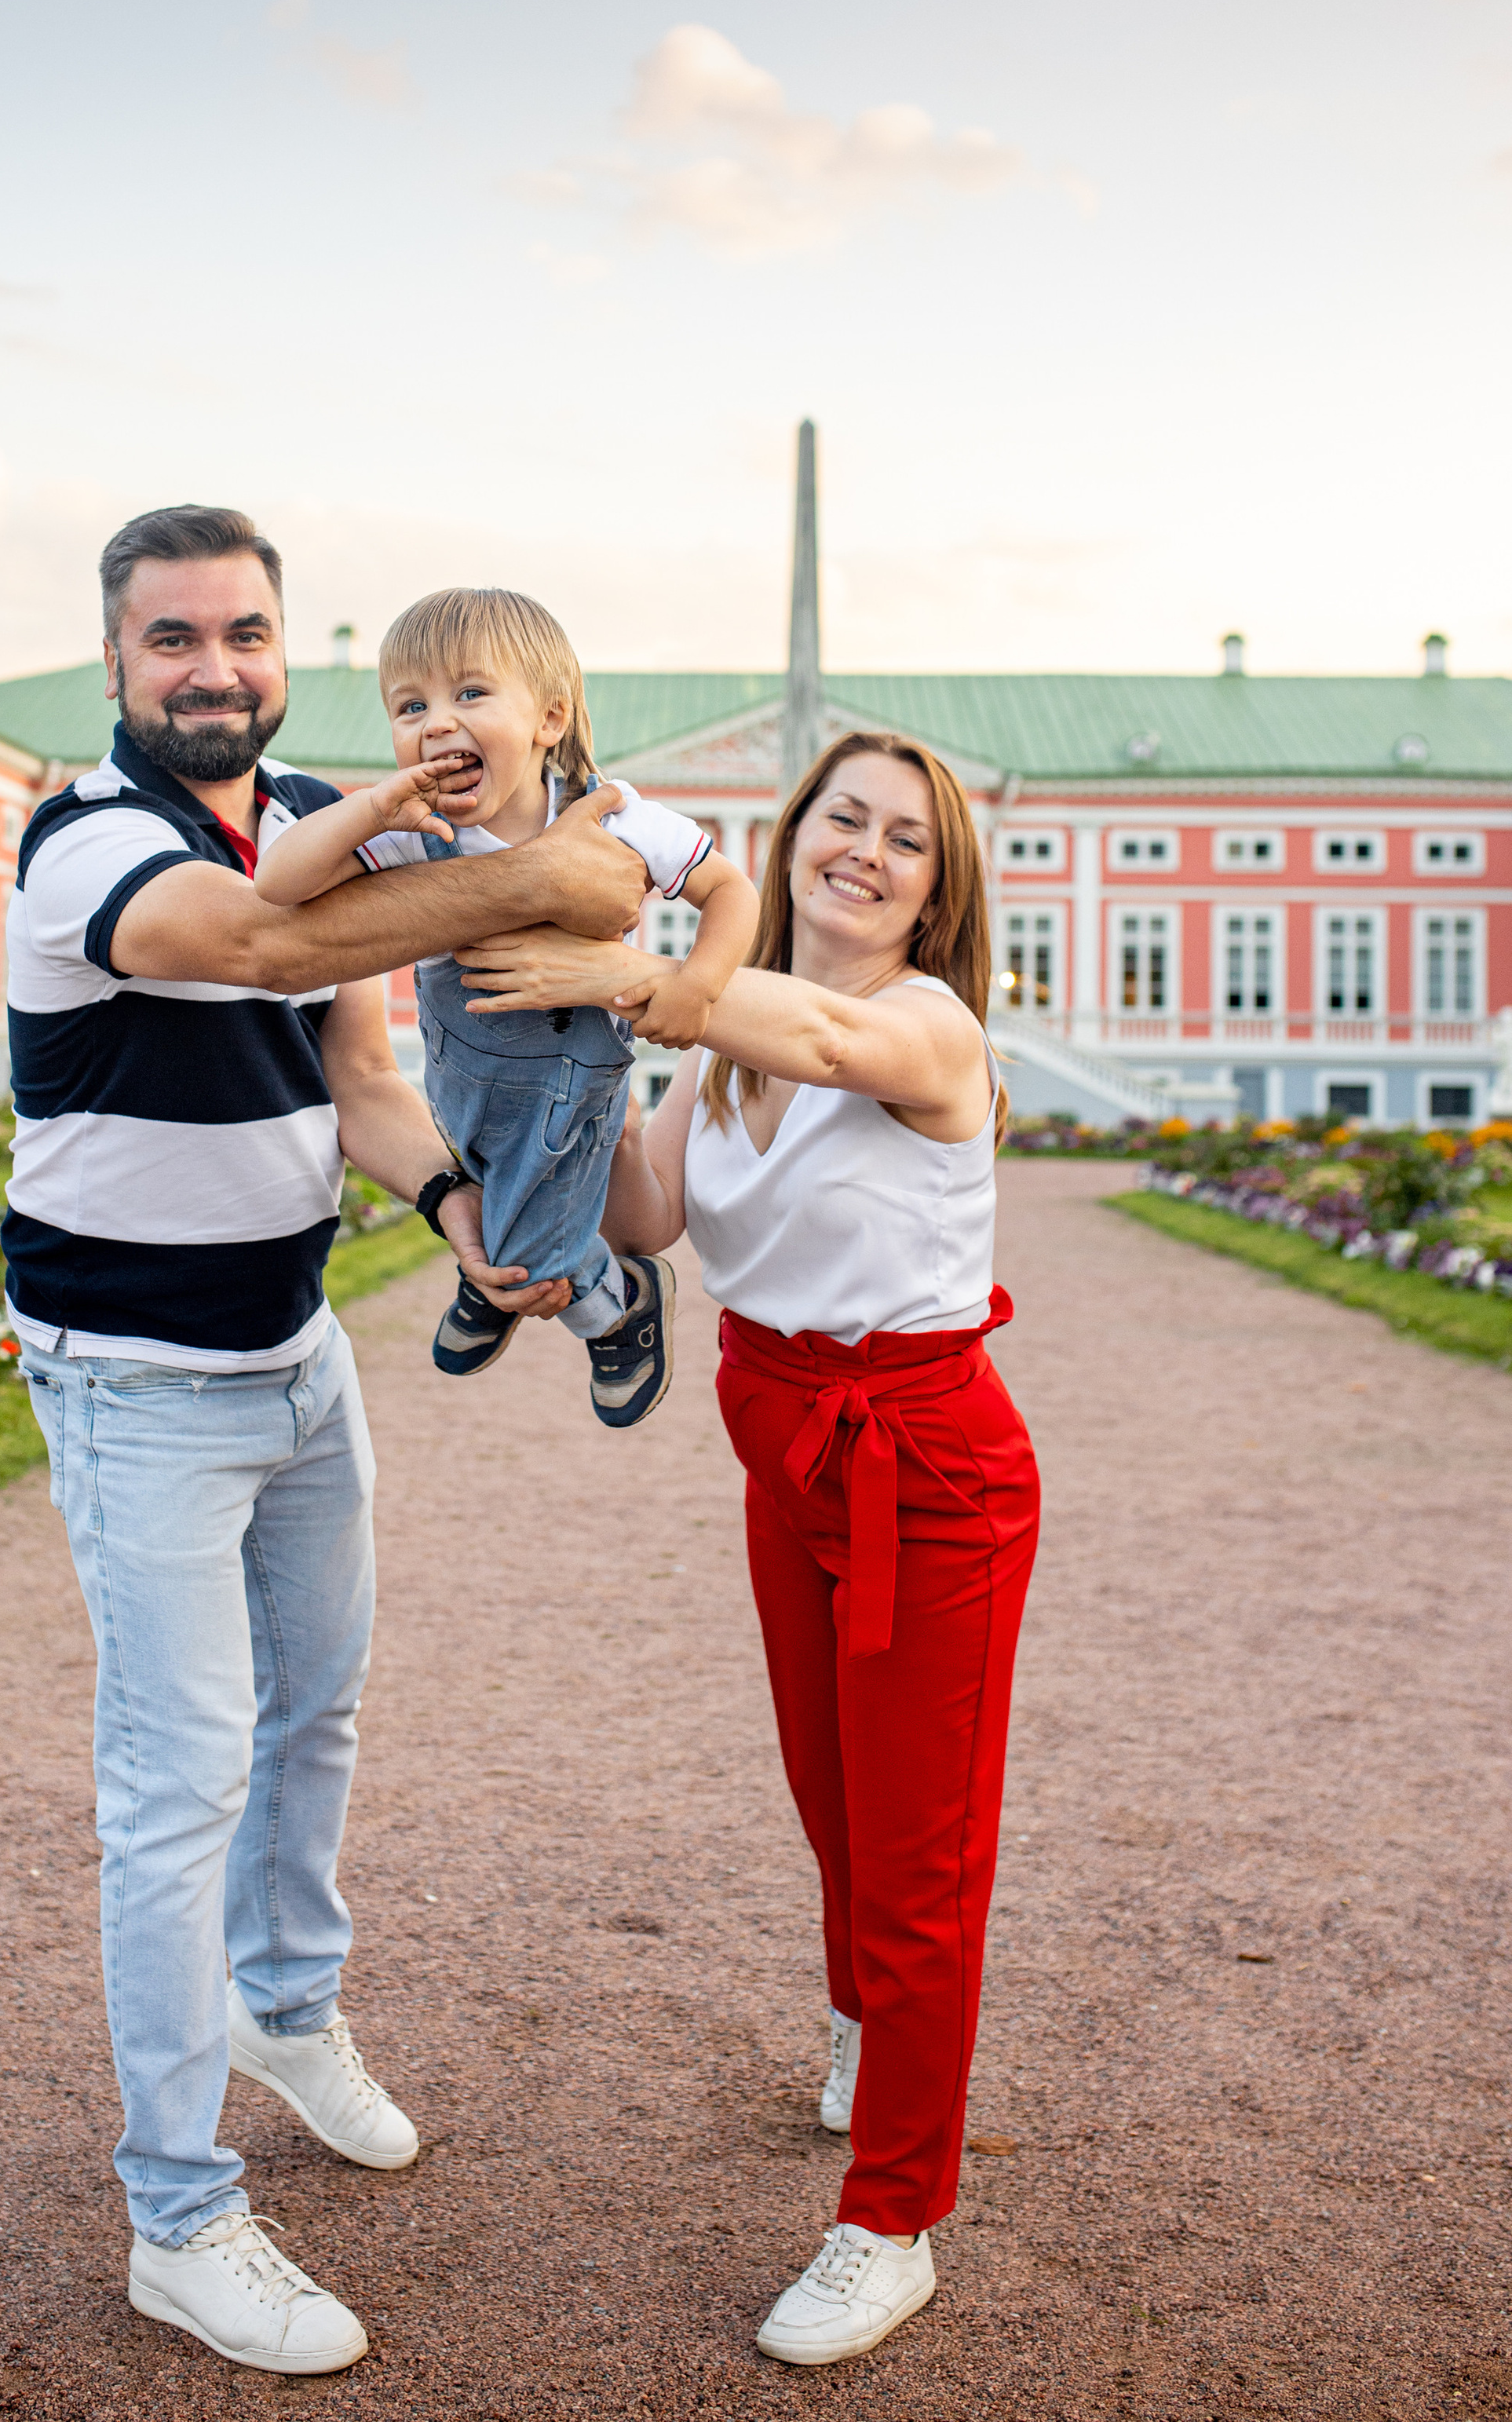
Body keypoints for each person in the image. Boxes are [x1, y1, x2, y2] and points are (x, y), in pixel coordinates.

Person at [5, 506, 647, 2378]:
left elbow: (359, 1063)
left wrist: (454, 1207)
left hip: (289, 1347)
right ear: (114, 663)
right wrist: (566, 884)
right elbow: (250, 940)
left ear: (284, 650)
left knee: (321, 1713)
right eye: (173, 637)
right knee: (176, 1781)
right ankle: (178, 2210)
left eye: (246, 632)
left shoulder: (302, 805)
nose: (214, 664)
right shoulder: (89, 840)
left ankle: (286, 2008)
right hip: (131, 1375)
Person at [455, 730, 1041, 2370]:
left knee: (920, 1858)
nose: (860, 852)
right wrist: (526, 1184)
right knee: (831, 1798)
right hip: (781, 1449)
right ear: (790, 839)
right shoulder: (721, 1046)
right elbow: (648, 1213)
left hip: (924, 1468)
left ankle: (890, 2217)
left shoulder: (919, 1028)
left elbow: (820, 1025)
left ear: (936, 896)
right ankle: (873, 2027)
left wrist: (626, 932)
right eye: (838, 819)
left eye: (902, 843)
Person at [254, 585, 758, 1424]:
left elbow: (730, 889)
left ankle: (618, 1306)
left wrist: (696, 986)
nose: (437, 722)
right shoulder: (412, 827)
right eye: (409, 705)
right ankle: (496, 1267)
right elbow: (277, 885)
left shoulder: (610, 814)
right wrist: (371, 806)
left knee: (529, 1254)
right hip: (462, 1077)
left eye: (471, 693)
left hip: (570, 1074)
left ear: (548, 719)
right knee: (491, 1186)